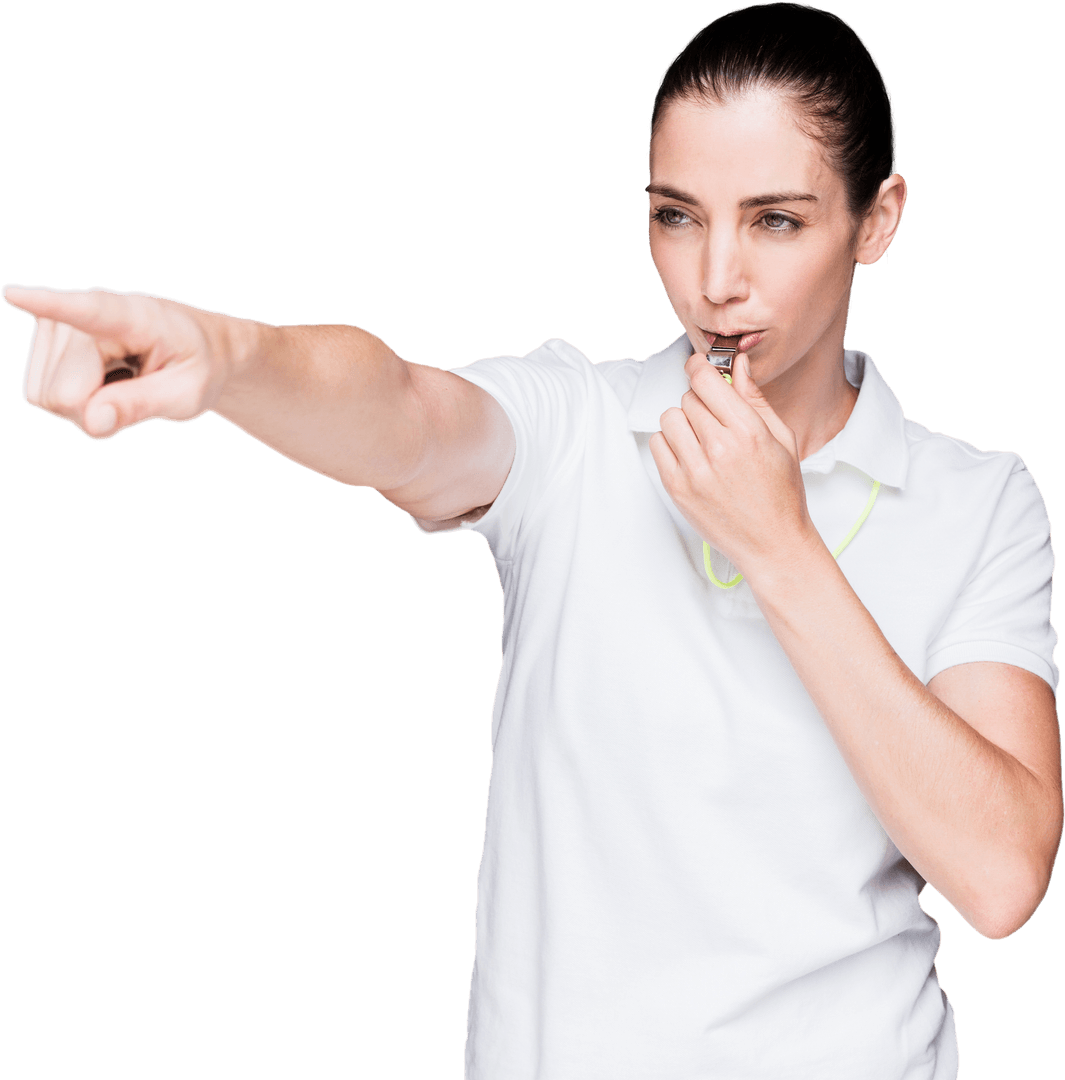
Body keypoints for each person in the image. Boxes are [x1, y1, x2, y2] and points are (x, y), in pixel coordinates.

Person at [4, 4, 1060, 1077]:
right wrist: (226, 356)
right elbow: (403, 410)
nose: (715, 279)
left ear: (876, 221)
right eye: (677, 215)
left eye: (776, 220)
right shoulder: (580, 429)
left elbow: (1002, 875)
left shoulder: (977, 502)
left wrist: (782, 545)